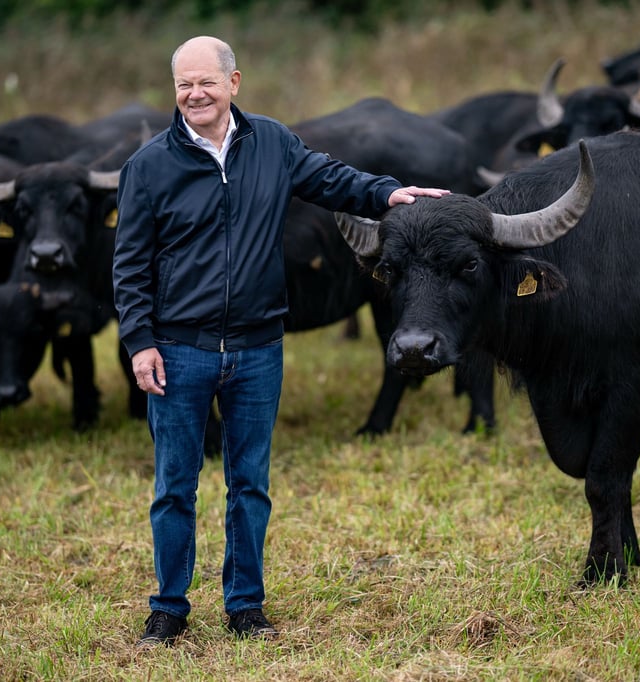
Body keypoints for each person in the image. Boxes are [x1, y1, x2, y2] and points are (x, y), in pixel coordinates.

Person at [113, 35, 450, 648]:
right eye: (184, 84)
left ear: (233, 83)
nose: (195, 94)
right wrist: (140, 342)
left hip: (258, 347)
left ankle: (245, 606)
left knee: (249, 484)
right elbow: (129, 265)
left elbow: (331, 178)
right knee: (174, 487)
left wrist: (388, 194)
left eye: (206, 83)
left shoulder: (272, 143)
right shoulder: (149, 167)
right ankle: (168, 608)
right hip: (180, 350)